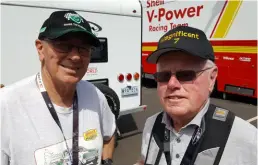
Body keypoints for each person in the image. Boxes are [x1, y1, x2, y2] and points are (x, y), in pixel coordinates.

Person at [1, 10, 116, 165]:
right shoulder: (7, 105)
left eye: (83, 49)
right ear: (40, 49)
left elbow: (110, 134)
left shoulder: (95, 95)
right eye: (63, 45)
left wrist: (107, 161)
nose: (75, 56)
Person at [137, 26, 257, 165]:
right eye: (163, 76)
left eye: (186, 75)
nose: (172, 84)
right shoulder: (151, 125)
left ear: (211, 78)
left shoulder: (246, 139)